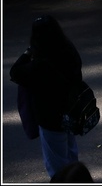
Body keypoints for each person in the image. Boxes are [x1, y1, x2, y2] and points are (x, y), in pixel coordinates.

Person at [10, 16, 83, 178]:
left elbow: (15, 72)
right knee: (71, 157)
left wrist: (28, 51)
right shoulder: (68, 50)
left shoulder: (39, 65)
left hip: (50, 120)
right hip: (71, 112)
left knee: (57, 165)